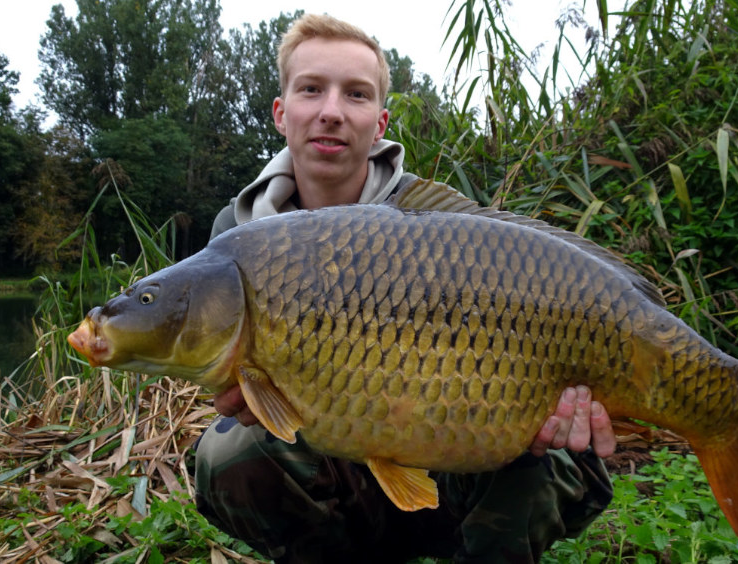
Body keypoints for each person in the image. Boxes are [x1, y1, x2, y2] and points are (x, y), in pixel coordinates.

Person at [193, 13, 617, 563]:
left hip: (463, 453)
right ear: (281, 111)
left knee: (541, 461)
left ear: (380, 121)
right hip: (344, 475)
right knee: (229, 452)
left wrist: (527, 418)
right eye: (311, 89)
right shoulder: (236, 238)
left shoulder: (434, 223)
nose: (331, 111)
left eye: (357, 94)